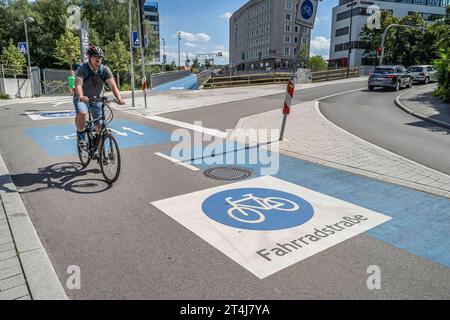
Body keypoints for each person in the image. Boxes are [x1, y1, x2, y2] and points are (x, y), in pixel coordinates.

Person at [73, 46, 125, 151]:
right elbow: (78, 84)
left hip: (97, 99)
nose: (98, 59)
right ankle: (81, 135)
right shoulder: (82, 68)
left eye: (100, 57)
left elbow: (112, 85)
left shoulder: (104, 69)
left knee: (100, 126)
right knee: (83, 113)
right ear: (89, 57)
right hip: (83, 98)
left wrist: (119, 98)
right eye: (95, 56)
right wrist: (81, 96)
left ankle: (99, 151)